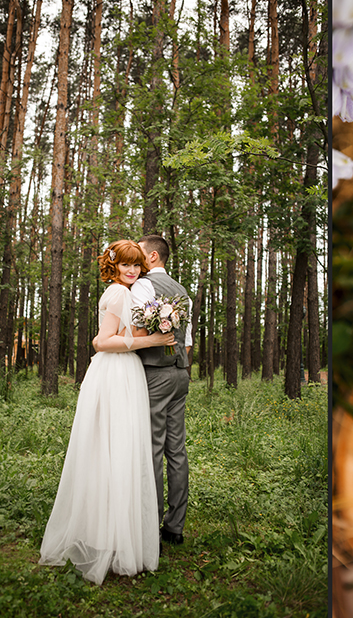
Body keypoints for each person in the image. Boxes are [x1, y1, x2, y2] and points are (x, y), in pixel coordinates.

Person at [39, 239, 176, 585]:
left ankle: (118, 538)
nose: (131, 271)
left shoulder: (132, 294)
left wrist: (158, 325)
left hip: (128, 373)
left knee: (124, 451)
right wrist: (152, 341)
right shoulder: (116, 293)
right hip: (113, 372)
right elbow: (102, 341)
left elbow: (129, 332)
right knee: (108, 450)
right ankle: (103, 538)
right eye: (125, 265)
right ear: (113, 266)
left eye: (136, 265)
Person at [131, 234, 192, 546]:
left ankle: (150, 524)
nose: (136, 260)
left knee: (153, 448)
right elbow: (189, 341)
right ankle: (175, 527)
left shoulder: (142, 286)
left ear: (153, 257)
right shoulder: (182, 291)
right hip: (180, 372)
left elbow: (138, 331)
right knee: (176, 450)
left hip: (155, 373)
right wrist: (179, 366)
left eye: (140, 253)